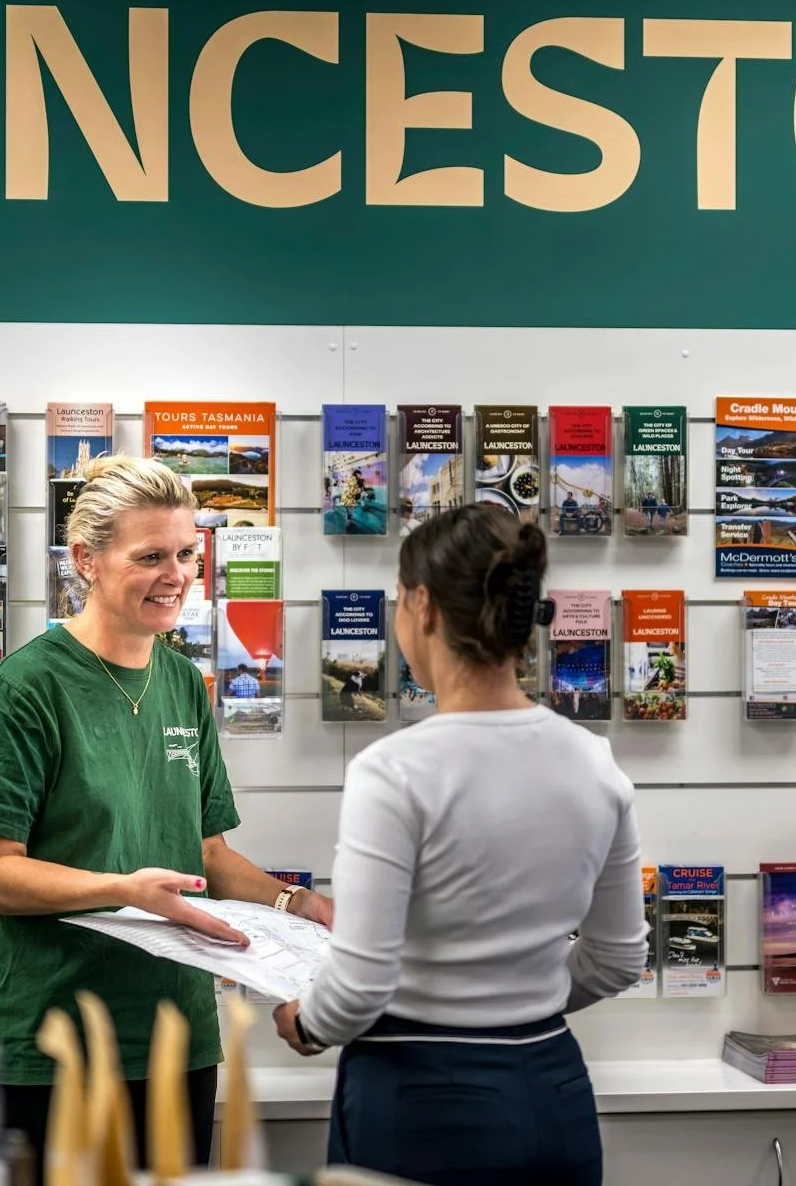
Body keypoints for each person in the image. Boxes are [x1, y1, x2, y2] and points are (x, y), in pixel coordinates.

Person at [0, 455, 333, 1171]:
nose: (177, 574)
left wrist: (294, 900)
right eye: (151, 556)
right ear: (86, 561)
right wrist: (123, 892)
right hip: (54, 1047)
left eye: (187, 553)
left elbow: (209, 856)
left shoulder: (184, 682)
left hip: (176, 1041)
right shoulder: (25, 687)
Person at [272, 504, 648, 1186]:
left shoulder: (395, 771)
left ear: (422, 607)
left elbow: (360, 986)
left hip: (421, 1101)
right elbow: (621, 959)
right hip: (554, 1090)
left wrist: (306, 1023)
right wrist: (513, 998)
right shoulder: (594, 762)